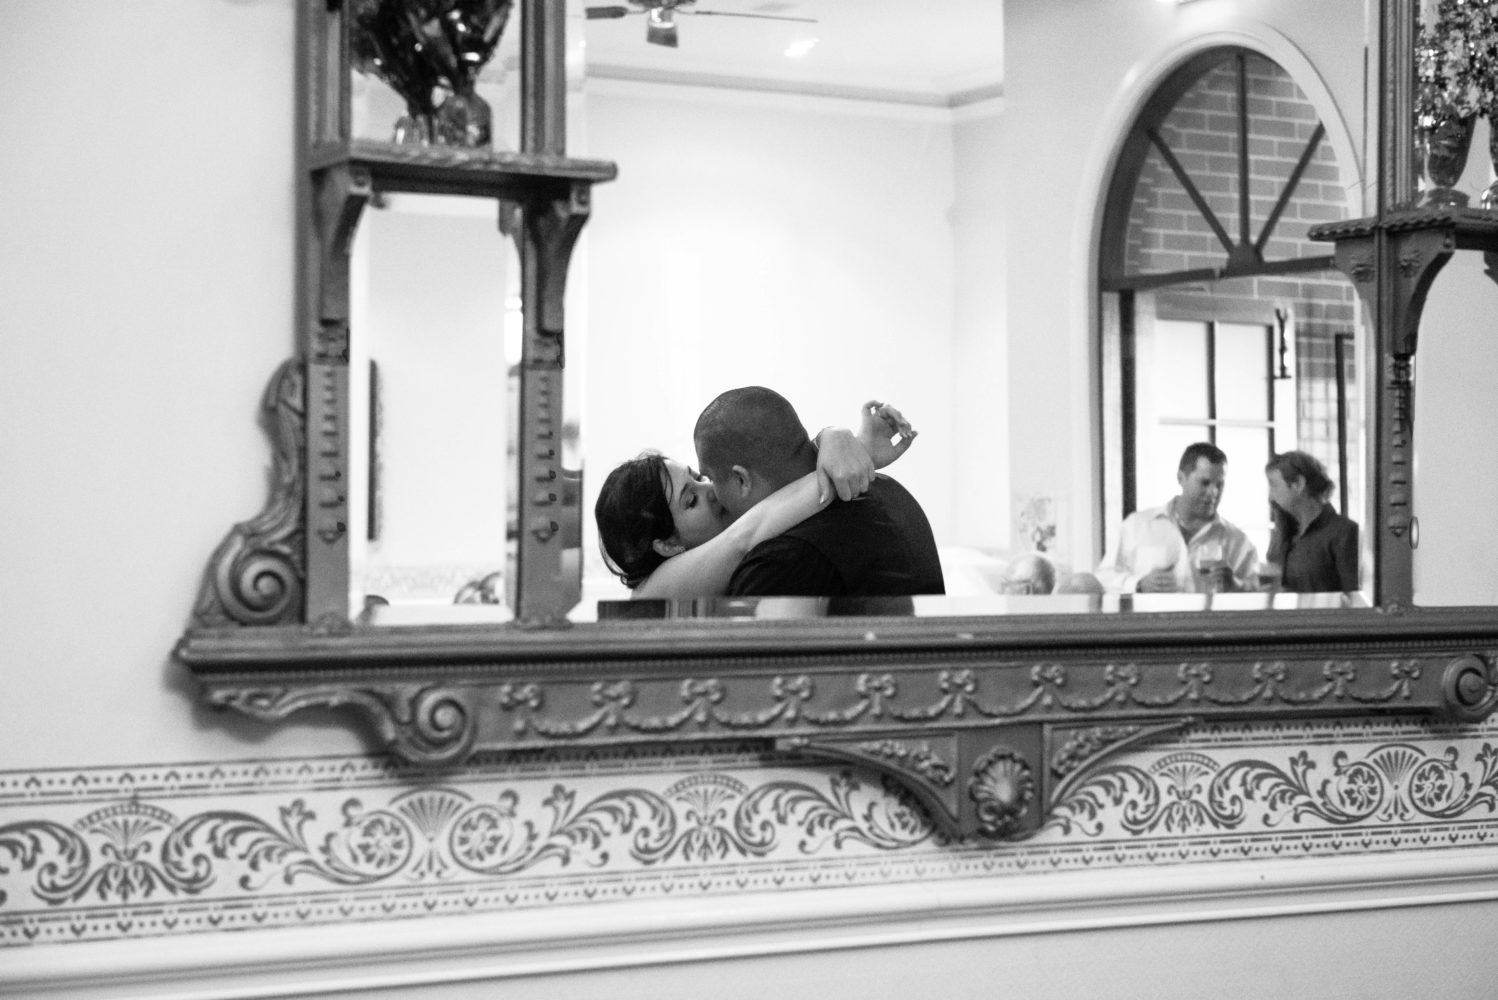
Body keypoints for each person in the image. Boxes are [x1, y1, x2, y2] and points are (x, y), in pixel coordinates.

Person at [596, 399, 917, 598]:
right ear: (666, 544)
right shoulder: (658, 591)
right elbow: (752, 528)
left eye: (699, 477)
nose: (713, 491)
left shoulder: (774, 557)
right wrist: (852, 448)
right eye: (690, 500)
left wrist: (833, 439)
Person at [693, 386, 945, 597]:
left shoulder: (780, 561)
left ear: (741, 480)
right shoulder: (889, 488)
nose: (712, 493)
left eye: (710, 478)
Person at [1096, 441, 1258, 593]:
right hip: (1150, 622)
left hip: (1211, 623)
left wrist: (1235, 585)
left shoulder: (1237, 540)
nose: (1213, 492)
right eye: (1205, 483)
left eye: (1219, 485)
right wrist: (1138, 584)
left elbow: (1259, 594)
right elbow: (1104, 577)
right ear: (1181, 478)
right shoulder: (1138, 525)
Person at [1264, 450, 1360, 592]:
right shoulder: (1285, 533)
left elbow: (1353, 598)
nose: (1270, 497)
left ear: (1298, 484)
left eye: (1274, 485)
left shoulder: (1344, 532)